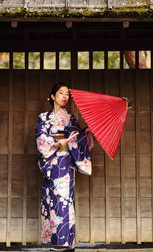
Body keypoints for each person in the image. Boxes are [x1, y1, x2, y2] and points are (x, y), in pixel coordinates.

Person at [35, 82, 93, 250]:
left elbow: (78, 138)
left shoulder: (71, 119)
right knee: (52, 200)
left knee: (65, 200)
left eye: (67, 94)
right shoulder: (43, 118)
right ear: (53, 96)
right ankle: (56, 240)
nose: (65, 96)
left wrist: (85, 133)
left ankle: (65, 242)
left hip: (66, 163)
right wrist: (54, 142)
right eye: (61, 93)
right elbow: (40, 138)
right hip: (51, 164)